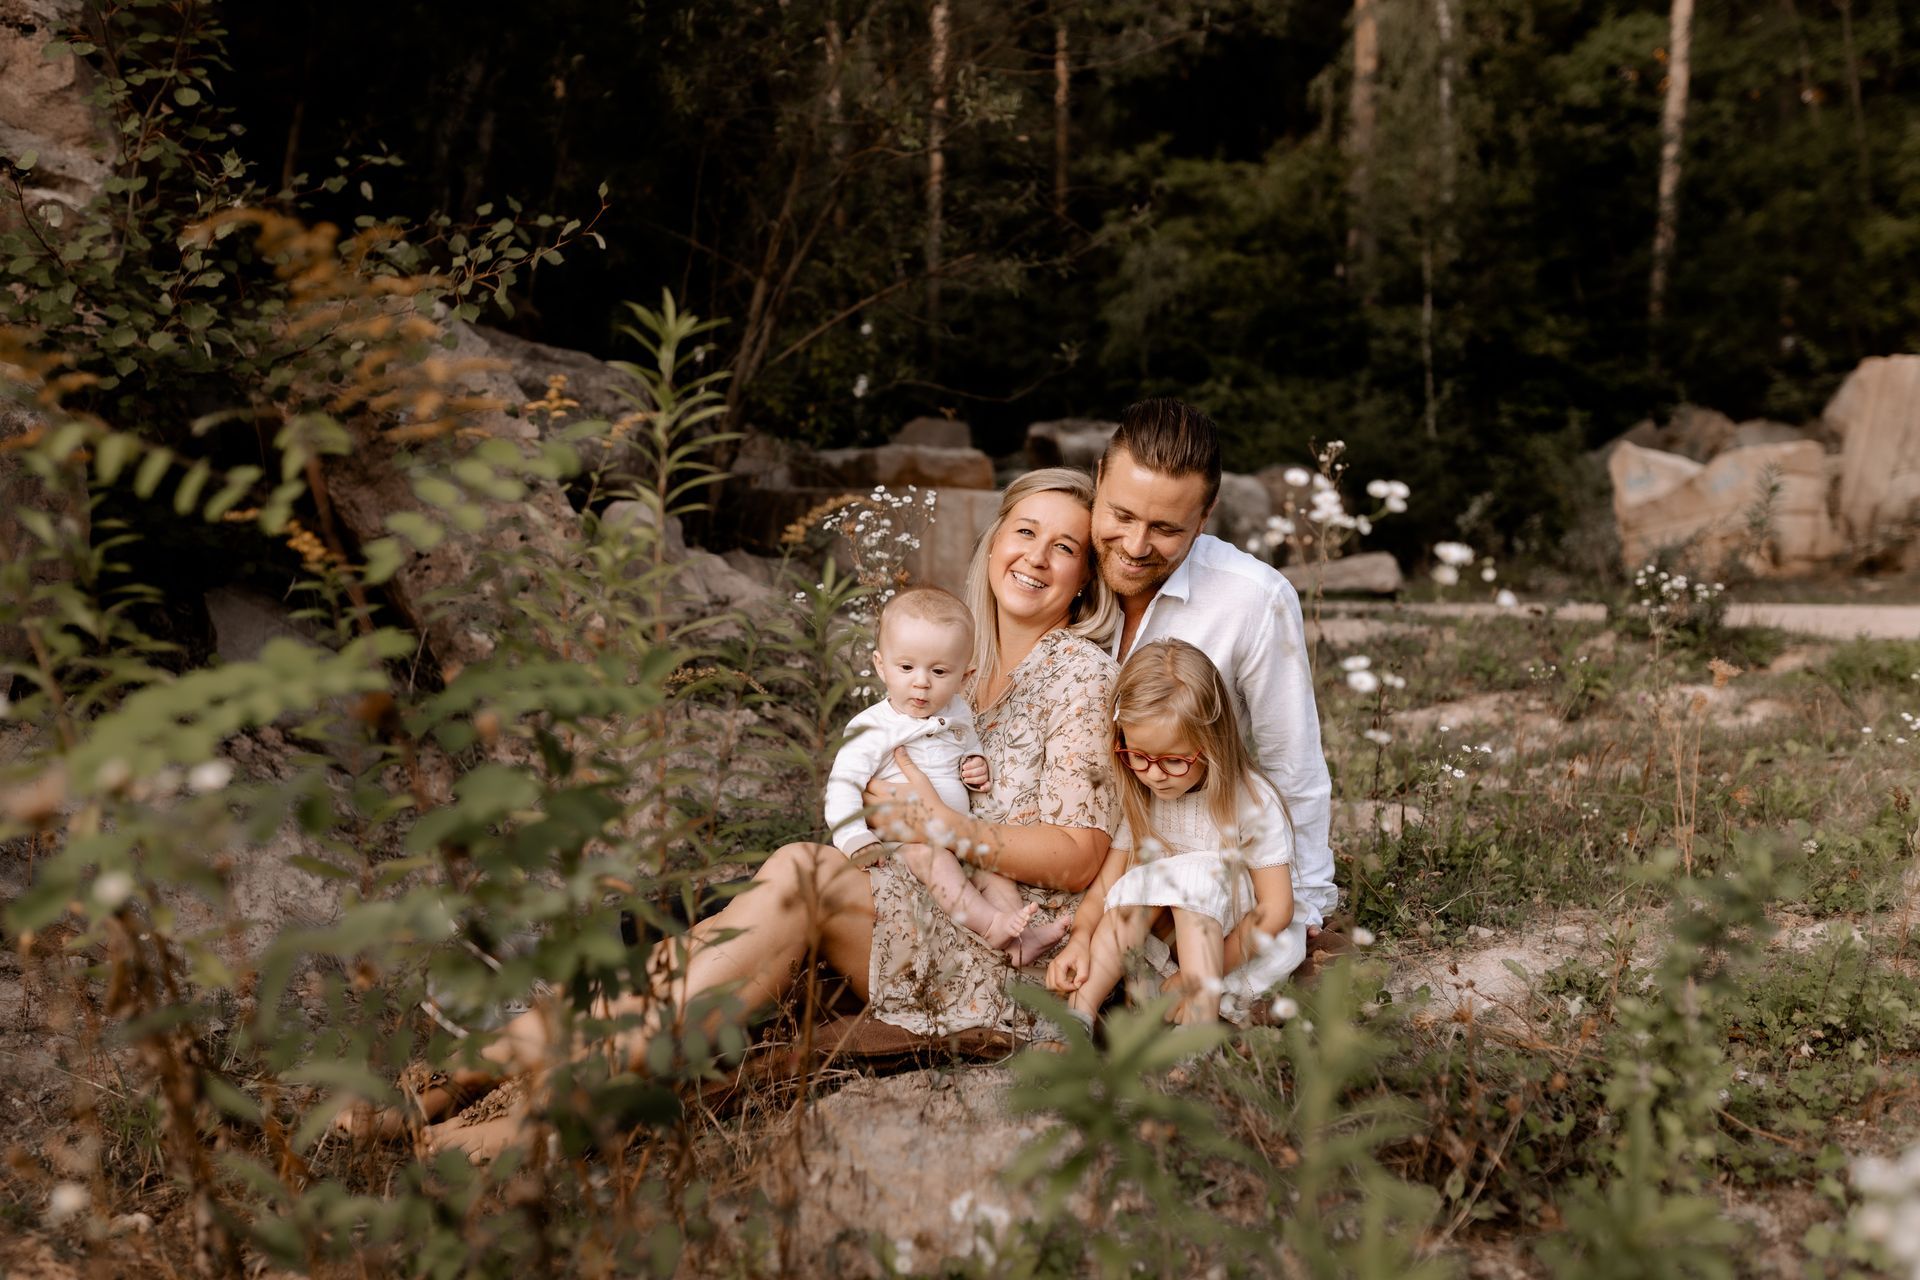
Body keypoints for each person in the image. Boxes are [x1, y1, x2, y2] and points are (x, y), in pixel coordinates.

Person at [403, 467, 1121, 1159]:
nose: (1037, 556)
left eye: (1064, 547)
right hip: (919, 899)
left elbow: (1082, 853)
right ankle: (473, 1086)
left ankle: (516, 1103)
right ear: (994, 541)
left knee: (798, 875)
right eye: (1025, 532)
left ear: (1086, 575)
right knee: (730, 930)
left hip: (1009, 950)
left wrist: (948, 826)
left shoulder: (1080, 675)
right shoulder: (957, 653)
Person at [1091, 397, 1338, 1013]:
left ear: (1205, 517)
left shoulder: (1254, 598)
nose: (1135, 545)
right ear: (1098, 481)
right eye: (1120, 514)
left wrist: (1302, 907)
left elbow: (1291, 762)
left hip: (1185, 866)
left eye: (1167, 529)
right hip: (1077, 857)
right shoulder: (1060, 561)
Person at [1047, 640, 1302, 1026]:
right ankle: (1078, 1019)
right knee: (1137, 887)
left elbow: (1275, 909)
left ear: (1212, 745)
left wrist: (1198, 976)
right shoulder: (1146, 797)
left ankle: (1195, 1040)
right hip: (1166, 953)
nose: (1152, 774)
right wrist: (1080, 938)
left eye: (1174, 761)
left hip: (1236, 950)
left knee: (1191, 876)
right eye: (1138, 756)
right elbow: (1107, 888)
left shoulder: (1249, 800)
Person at [823, 586, 1064, 965]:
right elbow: (843, 785)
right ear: (880, 664)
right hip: (906, 844)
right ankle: (991, 927)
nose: (921, 682)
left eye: (938, 671)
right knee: (937, 862)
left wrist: (975, 766)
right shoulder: (872, 726)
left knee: (996, 873)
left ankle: (1023, 938)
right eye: (906, 668)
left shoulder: (959, 714)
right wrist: (855, 837)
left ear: (964, 676)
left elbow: (966, 751)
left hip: (958, 834)